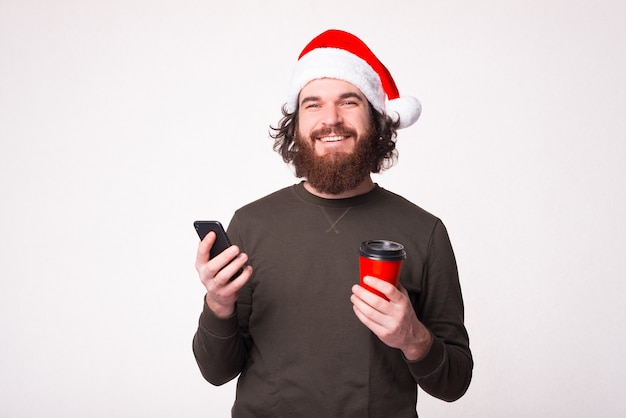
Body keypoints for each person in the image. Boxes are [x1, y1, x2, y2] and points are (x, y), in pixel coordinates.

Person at [192, 29, 472, 417]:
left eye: (349, 101)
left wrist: (414, 339)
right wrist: (218, 305)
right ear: (296, 125)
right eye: (313, 105)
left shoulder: (424, 231)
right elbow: (216, 371)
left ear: (376, 119)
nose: (331, 119)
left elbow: (455, 383)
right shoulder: (251, 224)